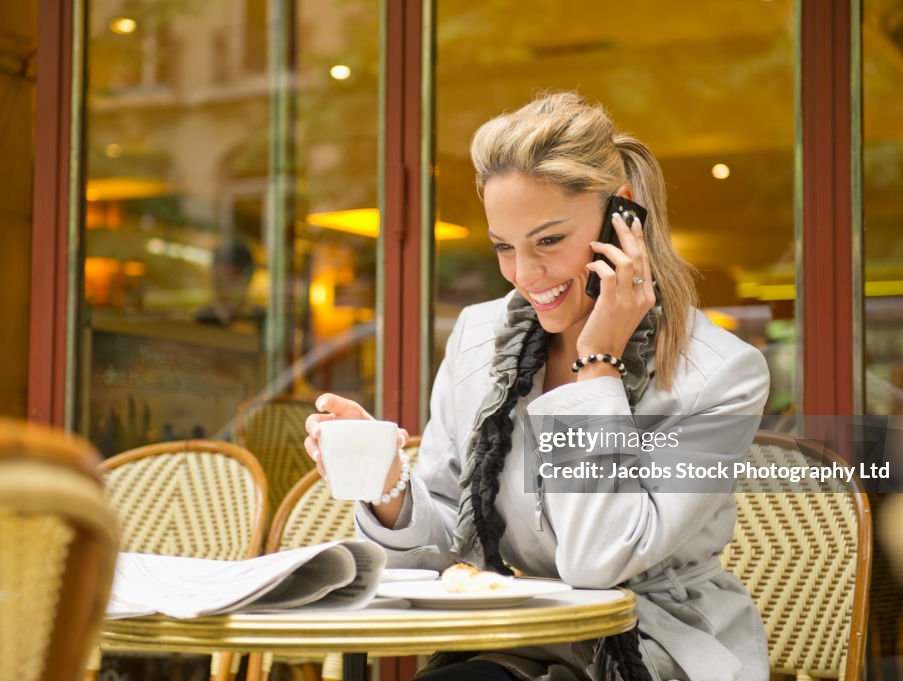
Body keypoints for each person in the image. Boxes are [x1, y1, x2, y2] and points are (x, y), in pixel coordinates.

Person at [304, 92, 770, 681]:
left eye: (548, 241)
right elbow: (448, 549)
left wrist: (597, 363)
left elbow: (600, 561)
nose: (525, 276)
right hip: (511, 644)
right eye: (504, 246)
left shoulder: (722, 374)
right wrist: (387, 483)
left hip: (651, 647)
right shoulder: (480, 337)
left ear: (621, 217)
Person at [194, 240, 260, 329]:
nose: (224, 292)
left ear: (247, 281)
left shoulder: (261, 320)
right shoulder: (199, 320)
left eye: (232, 282)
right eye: (219, 282)